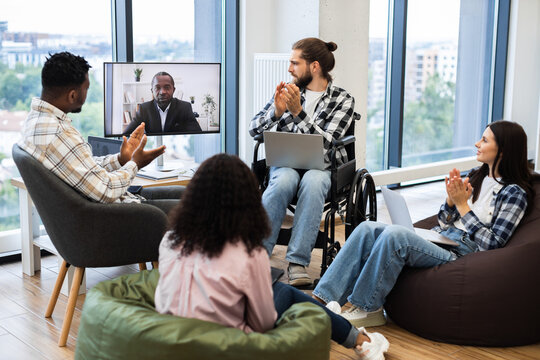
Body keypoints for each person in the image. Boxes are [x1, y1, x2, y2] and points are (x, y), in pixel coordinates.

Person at [155, 153, 389, 359]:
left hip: (175, 338)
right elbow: (262, 323)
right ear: (246, 202)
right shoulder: (248, 254)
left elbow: (165, 300)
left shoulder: (170, 240)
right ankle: (358, 339)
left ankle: (332, 319)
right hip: (228, 346)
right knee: (285, 293)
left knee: (280, 292)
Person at [312, 120, 535, 328]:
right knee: (367, 228)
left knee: (395, 237)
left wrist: (463, 207)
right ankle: (321, 299)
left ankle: (368, 308)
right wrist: (450, 203)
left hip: (463, 254)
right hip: (443, 237)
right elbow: (442, 221)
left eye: (485, 140)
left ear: (504, 150)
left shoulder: (514, 193)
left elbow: (493, 244)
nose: (477, 143)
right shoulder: (477, 176)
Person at [249, 37, 358, 286]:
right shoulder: (287, 93)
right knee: (283, 179)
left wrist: (299, 113)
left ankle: (297, 262)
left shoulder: (343, 100)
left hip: (324, 166)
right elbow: (254, 131)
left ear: (314, 66)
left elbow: (329, 142)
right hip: (286, 163)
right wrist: (275, 112)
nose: (289, 69)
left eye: (294, 63)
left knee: (314, 180)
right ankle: (257, 258)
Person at [19, 52, 184, 215]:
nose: (86, 94)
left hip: (110, 207)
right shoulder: (57, 133)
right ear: (73, 95)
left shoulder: (36, 121)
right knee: (197, 207)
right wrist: (135, 163)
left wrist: (121, 159)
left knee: (186, 194)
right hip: (122, 217)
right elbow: (107, 190)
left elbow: (84, 167)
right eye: (86, 89)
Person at [123, 71, 202, 134]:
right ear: (152, 91)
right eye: (157, 88)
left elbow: (197, 135)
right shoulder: (144, 108)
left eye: (167, 87)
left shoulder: (184, 107)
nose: (162, 92)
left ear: (173, 90)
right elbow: (126, 134)